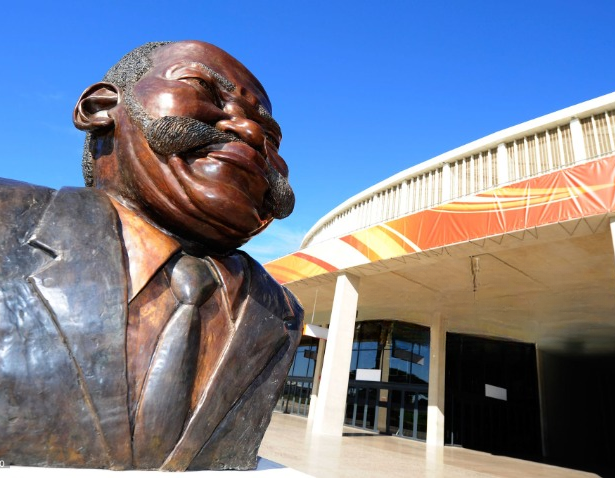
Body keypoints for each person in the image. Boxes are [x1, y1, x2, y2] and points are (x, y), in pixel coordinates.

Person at [0, 40, 303, 471]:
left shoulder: (282, 312)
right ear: (100, 107)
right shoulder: (8, 219)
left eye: (269, 136)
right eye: (204, 89)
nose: (252, 134)